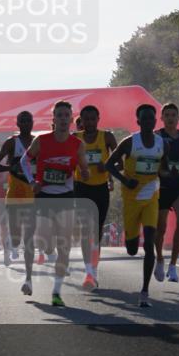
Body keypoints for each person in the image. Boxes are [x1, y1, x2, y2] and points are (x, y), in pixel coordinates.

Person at [19, 101, 89, 306]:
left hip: (66, 197)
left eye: (66, 115)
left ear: (71, 118)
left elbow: (84, 170)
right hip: (45, 197)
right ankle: (29, 278)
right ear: (53, 119)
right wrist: (32, 182)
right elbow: (24, 161)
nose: (63, 118)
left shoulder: (78, 144)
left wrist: (85, 172)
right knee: (42, 240)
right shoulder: (42, 140)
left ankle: (56, 293)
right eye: (59, 115)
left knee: (64, 247)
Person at [105, 104, 171, 308]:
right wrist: (125, 181)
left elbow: (164, 168)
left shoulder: (162, 144)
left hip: (151, 193)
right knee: (132, 249)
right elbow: (108, 164)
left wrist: (172, 175)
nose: (149, 122)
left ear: (155, 121)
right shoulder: (129, 142)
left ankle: (144, 291)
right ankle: (132, 241)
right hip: (131, 197)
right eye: (145, 118)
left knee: (149, 241)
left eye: (152, 118)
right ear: (138, 121)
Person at [0, 111, 37, 289]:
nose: (25, 123)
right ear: (17, 124)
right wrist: (11, 166)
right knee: (17, 240)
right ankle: (11, 242)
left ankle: (28, 279)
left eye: (28, 120)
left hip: (33, 194)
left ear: (33, 122)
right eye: (22, 121)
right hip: (15, 195)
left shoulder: (38, 142)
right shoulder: (11, 142)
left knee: (30, 237)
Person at [73, 105, 117, 290]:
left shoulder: (107, 137)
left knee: (96, 231)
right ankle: (88, 271)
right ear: (81, 121)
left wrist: (106, 166)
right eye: (86, 120)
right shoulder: (75, 138)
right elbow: (65, 161)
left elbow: (121, 161)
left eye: (93, 119)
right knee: (85, 230)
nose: (89, 123)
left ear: (98, 119)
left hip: (100, 189)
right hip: (81, 187)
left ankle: (94, 269)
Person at [154, 103, 179, 284]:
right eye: (166, 115)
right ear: (161, 118)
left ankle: (173, 265)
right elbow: (153, 158)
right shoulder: (157, 136)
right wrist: (162, 171)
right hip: (162, 186)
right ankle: (159, 258)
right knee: (160, 227)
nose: (170, 118)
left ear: (178, 118)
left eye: (173, 115)